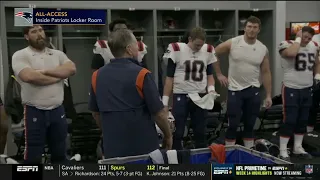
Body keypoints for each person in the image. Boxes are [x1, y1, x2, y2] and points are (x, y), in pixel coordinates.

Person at [89, 29, 172, 158]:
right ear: (129, 49)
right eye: (136, 45)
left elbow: (95, 113)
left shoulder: (96, 76)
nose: (138, 48)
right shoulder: (142, 74)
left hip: (112, 147)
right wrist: (168, 135)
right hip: (143, 148)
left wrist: (108, 132)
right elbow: (159, 114)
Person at [11, 25, 77, 163]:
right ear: (26, 36)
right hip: (34, 111)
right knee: (33, 156)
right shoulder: (20, 55)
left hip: (57, 110)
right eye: (34, 32)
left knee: (60, 153)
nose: (39, 34)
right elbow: (29, 77)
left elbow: (71, 69)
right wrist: (58, 75)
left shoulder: (58, 54)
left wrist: (43, 71)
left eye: (40, 30)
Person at [214, 16, 272, 149]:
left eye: (255, 27)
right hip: (235, 90)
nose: (251, 30)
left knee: (250, 124)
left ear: (259, 30)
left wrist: (268, 95)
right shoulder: (233, 42)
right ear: (245, 28)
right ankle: (229, 153)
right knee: (233, 124)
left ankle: (249, 152)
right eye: (249, 27)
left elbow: (266, 72)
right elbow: (214, 53)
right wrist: (219, 74)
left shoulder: (262, 48)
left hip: (253, 90)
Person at [162, 27, 218, 150]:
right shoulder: (176, 49)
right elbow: (169, 78)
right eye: (197, 45)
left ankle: (201, 162)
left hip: (200, 95)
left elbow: (209, 76)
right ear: (190, 39)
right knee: (178, 132)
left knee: (201, 132)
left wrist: (212, 89)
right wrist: (165, 102)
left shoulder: (208, 50)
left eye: (201, 45)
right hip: (181, 94)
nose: (199, 48)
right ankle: (176, 161)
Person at [278, 26, 320, 161]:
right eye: (304, 37)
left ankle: (297, 147)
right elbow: (292, 54)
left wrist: (317, 75)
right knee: (290, 119)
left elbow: (316, 62)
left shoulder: (313, 45)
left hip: (307, 88)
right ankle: (283, 150)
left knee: (303, 120)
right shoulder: (286, 44)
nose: (306, 40)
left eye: (309, 38)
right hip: (291, 87)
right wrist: (297, 38)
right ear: (299, 35)